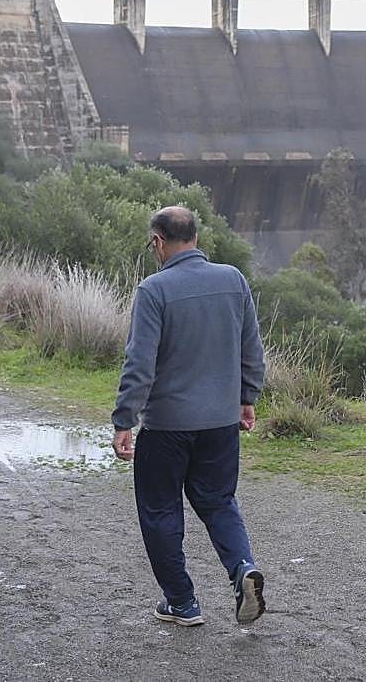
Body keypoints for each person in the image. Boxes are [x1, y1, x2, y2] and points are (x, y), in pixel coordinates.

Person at [111, 205, 266, 627]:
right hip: (220, 424)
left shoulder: (153, 290)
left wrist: (124, 419)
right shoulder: (232, 280)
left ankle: (182, 602)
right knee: (218, 502)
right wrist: (246, 396)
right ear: (195, 237)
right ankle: (241, 568)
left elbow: (139, 365)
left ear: (159, 242)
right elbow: (252, 349)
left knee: (160, 510)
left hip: (166, 427)